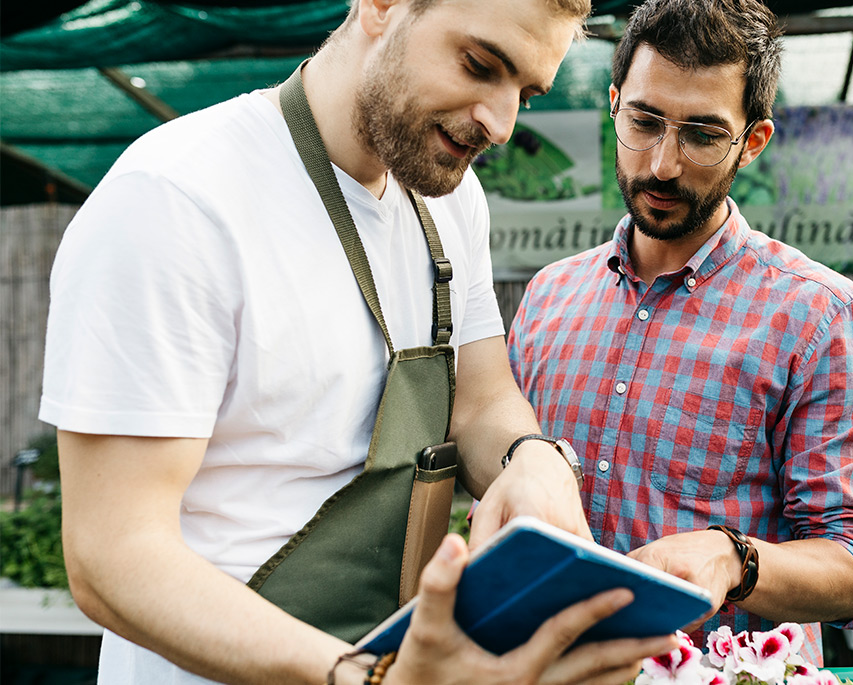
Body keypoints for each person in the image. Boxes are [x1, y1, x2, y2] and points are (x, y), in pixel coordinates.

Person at [39, 0, 678, 683]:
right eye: (479, 65)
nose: (500, 122)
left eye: (524, 91)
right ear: (379, 6)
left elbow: (483, 400)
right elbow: (113, 556)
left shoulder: (451, 202)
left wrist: (531, 460)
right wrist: (362, 675)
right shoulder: (176, 200)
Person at [508, 0, 853, 665]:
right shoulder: (547, 300)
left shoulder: (820, 318)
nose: (661, 163)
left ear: (753, 140)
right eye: (645, 121)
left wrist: (733, 557)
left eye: (702, 134)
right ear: (613, 103)